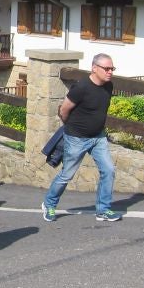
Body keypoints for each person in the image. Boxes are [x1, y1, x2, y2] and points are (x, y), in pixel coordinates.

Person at [42, 53, 122, 222]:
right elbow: (64, 110)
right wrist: (71, 128)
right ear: (94, 68)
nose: (110, 72)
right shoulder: (81, 87)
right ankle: (49, 204)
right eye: (106, 68)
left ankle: (103, 210)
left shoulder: (109, 86)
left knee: (109, 170)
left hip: (98, 137)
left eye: (112, 69)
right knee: (67, 175)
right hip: (76, 138)